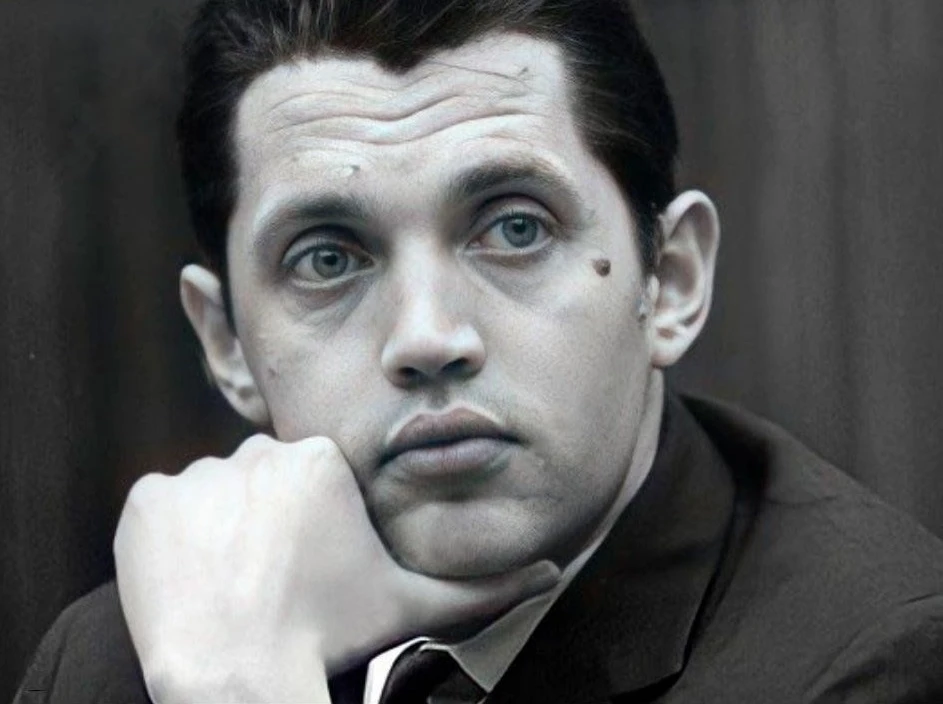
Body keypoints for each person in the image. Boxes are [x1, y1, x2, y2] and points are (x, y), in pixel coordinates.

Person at [14, 0, 943, 702]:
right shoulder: (134, 658)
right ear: (226, 344)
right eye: (328, 258)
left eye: (514, 229)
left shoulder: (875, 663)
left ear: (669, 280)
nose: (427, 337)